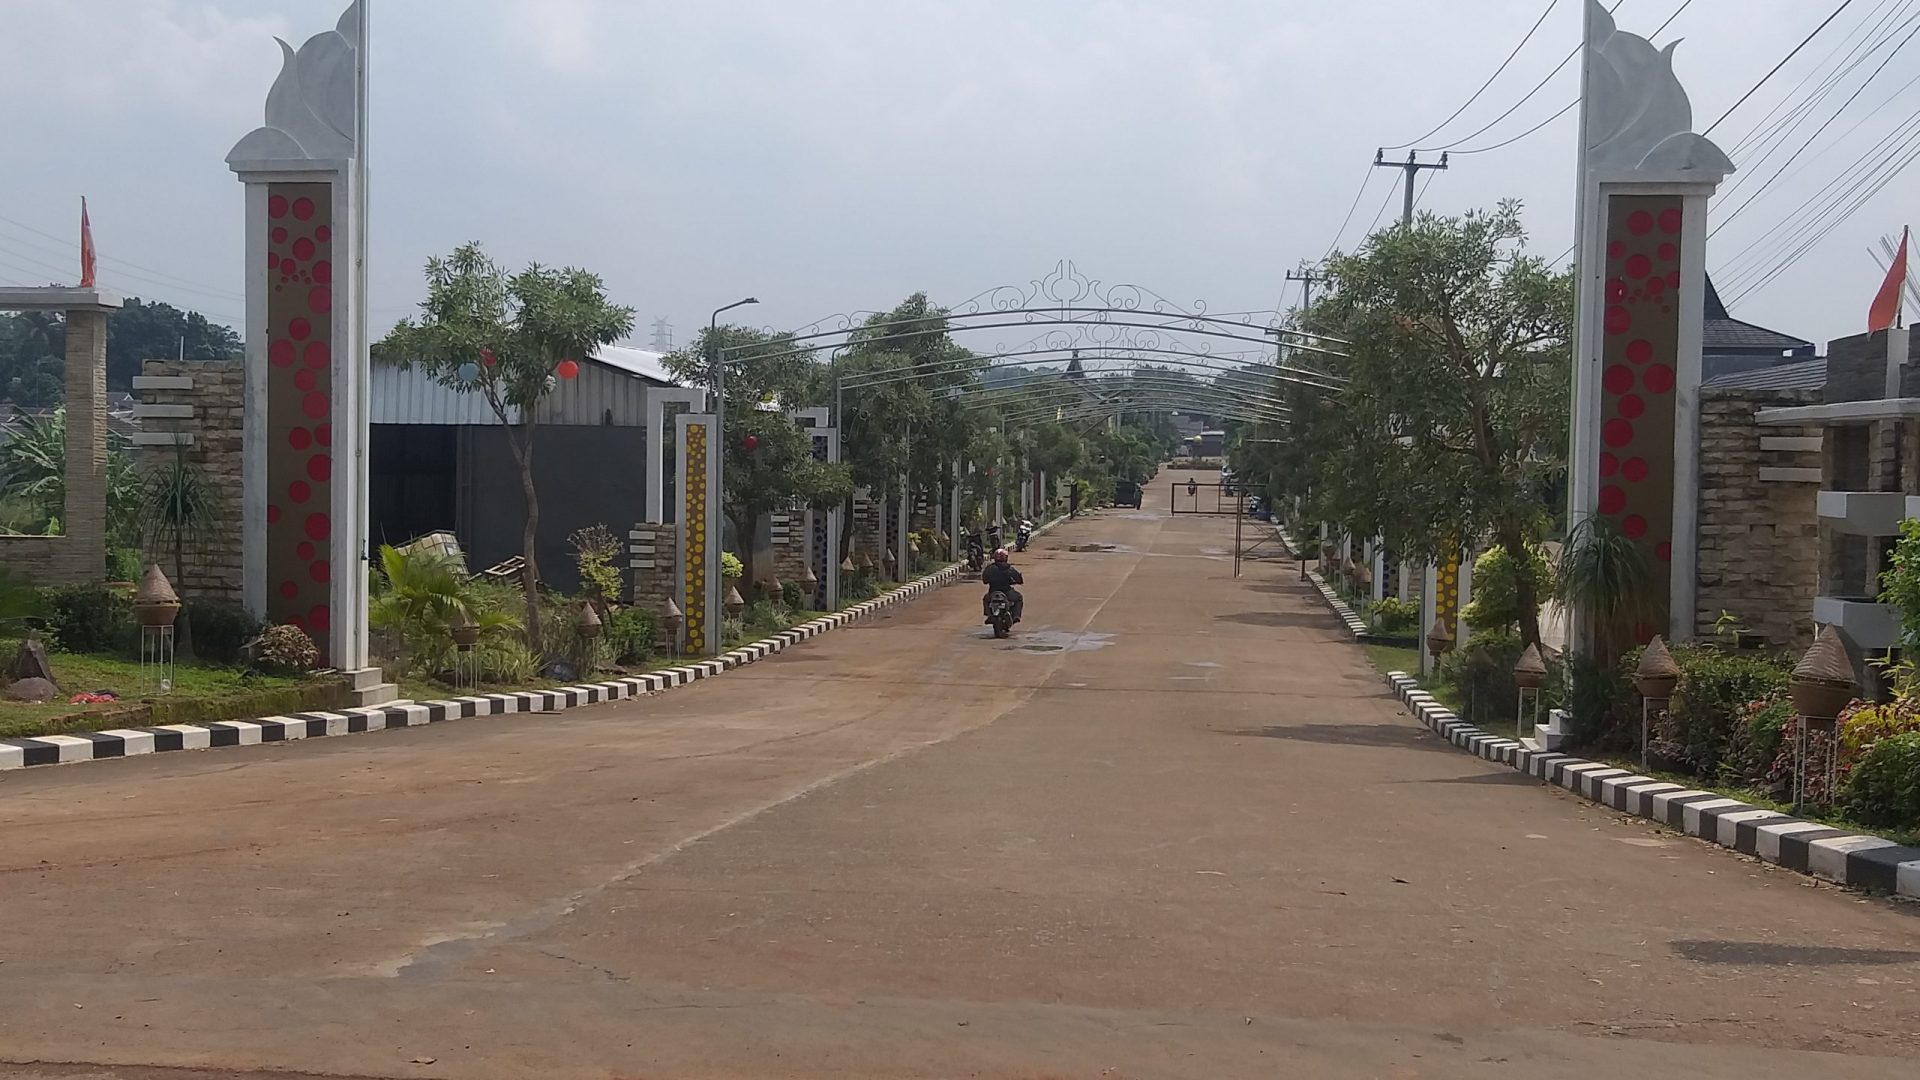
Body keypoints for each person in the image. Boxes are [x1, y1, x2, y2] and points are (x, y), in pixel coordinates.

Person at [982, 547, 1024, 624]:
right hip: (1007, 592)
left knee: (986, 599)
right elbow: (1018, 579)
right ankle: (1016, 616)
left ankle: (989, 615)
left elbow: (985, 580)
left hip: (993, 592)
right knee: (1019, 598)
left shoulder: (989, 568)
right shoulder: (1009, 568)